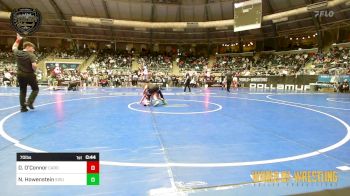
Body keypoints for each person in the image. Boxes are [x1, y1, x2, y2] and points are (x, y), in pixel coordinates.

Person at [12, 33, 39, 112]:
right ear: (28, 47)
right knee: (35, 89)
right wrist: (34, 70)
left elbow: (14, 47)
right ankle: (29, 102)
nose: (33, 50)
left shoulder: (18, 53)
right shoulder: (31, 55)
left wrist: (18, 39)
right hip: (29, 74)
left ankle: (23, 108)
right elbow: (34, 65)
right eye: (32, 48)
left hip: (20, 75)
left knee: (22, 90)